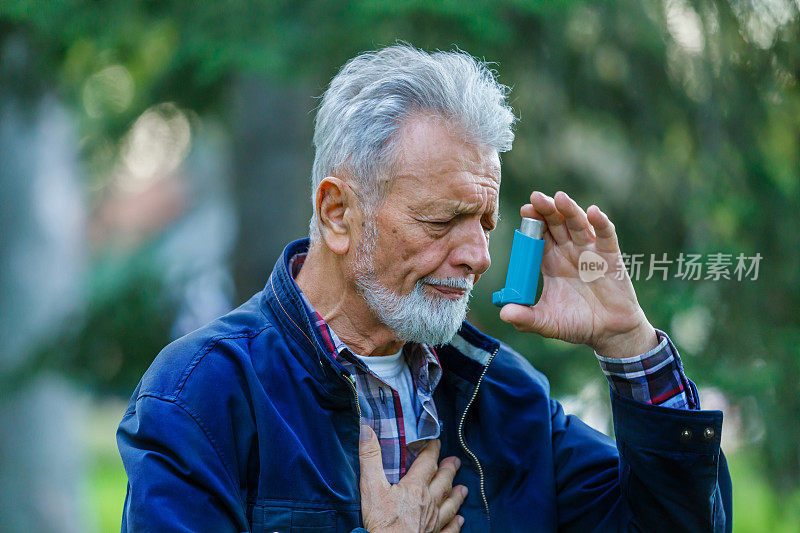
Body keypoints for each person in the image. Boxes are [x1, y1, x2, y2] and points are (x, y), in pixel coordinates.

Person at [118, 45, 732, 532]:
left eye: (486, 224)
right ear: (337, 213)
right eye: (441, 222)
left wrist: (628, 343)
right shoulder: (201, 395)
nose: (478, 257)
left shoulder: (509, 397)